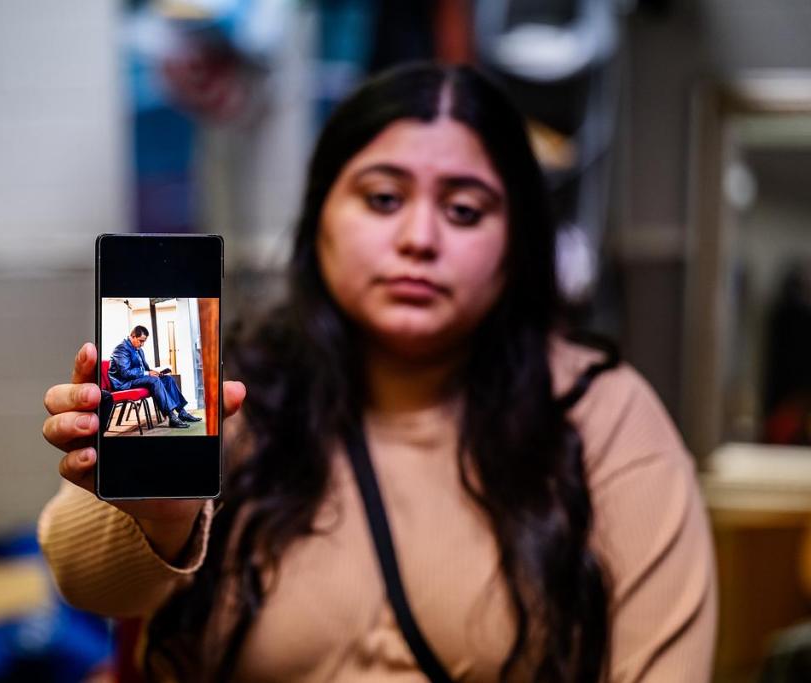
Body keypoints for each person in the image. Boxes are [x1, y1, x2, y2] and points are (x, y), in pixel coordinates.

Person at [40, 63, 716, 682]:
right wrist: (160, 518)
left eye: (464, 211)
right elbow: (87, 581)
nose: (419, 238)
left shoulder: (600, 412)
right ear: (321, 219)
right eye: (384, 199)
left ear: (517, 243)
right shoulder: (237, 393)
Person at [108, 325, 200, 429]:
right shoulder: (121, 349)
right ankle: (171, 416)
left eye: (144, 341)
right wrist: (148, 373)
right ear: (132, 336)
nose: (142, 344)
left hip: (135, 379)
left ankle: (182, 412)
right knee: (154, 381)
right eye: (140, 341)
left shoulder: (138, 349)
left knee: (168, 379)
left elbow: (145, 369)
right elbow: (125, 372)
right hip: (124, 383)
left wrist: (156, 372)